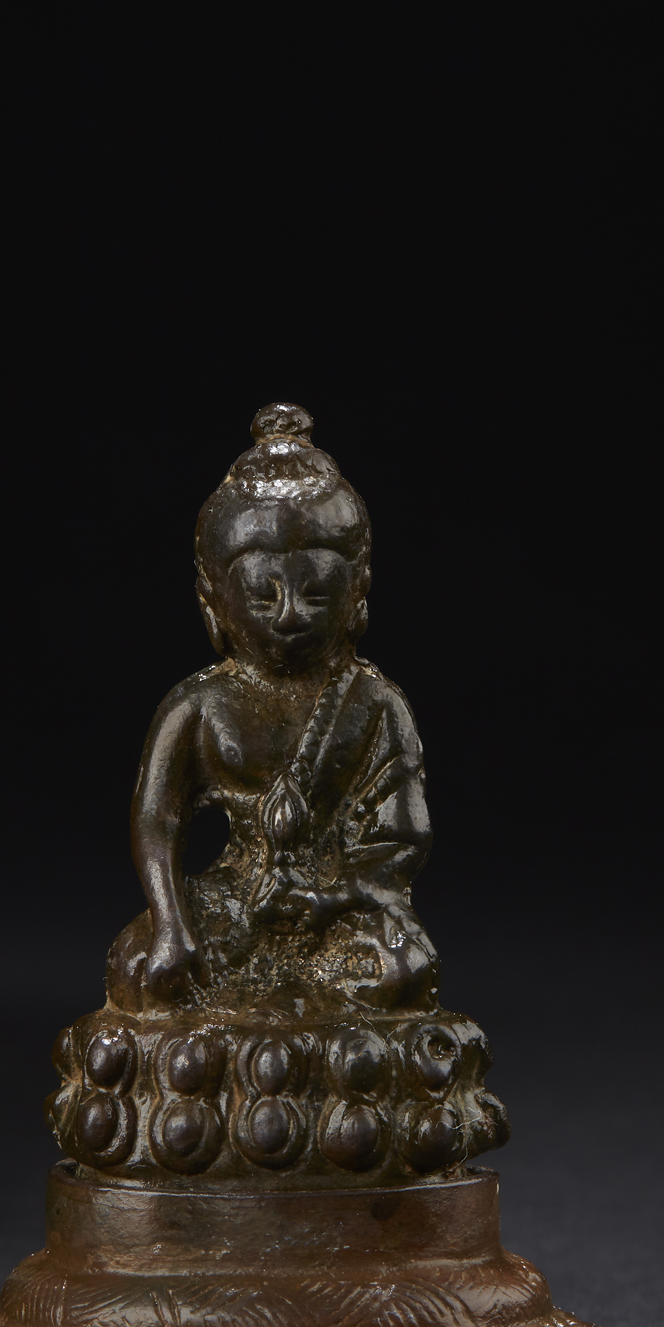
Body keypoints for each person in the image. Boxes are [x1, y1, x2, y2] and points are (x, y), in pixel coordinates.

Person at [107, 404, 440, 1011]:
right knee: (135, 964)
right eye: (264, 595)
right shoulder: (199, 705)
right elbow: (157, 819)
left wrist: (330, 897)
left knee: (402, 971)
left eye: (316, 594)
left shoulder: (374, 702)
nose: (291, 616)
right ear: (214, 601)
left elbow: (403, 836)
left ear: (356, 593)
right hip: (236, 901)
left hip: (336, 908)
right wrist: (172, 923)